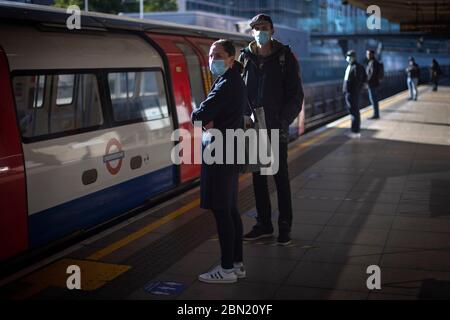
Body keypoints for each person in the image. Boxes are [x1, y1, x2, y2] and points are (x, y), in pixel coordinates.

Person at [238, 14, 304, 246]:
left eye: (264, 27)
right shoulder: (244, 57)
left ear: (272, 30)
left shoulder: (285, 56)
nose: (259, 31)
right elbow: (239, 91)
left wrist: (283, 120)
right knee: (258, 178)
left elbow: (296, 95)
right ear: (251, 31)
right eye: (255, 28)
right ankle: (264, 224)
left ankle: (284, 226)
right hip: (254, 127)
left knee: (280, 178)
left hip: (276, 126)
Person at [192, 39, 246, 284]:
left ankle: (225, 270)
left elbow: (199, 115)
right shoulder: (235, 79)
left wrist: (203, 117)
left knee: (222, 211)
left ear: (232, 58)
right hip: (230, 150)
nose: (213, 59)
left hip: (220, 153)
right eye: (212, 54)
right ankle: (236, 264)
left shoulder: (225, 84)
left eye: (219, 55)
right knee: (231, 209)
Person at [343, 50, 367, 138]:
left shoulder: (357, 67)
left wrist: (356, 90)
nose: (347, 58)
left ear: (353, 57)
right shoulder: (350, 66)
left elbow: (361, 80)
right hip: (349, 92)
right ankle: (354, 130)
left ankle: (355, 131)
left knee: (354, 112)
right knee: (352, 111)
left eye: (349, 56)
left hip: (353, 93)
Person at [366, 49, 382, 119]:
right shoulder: (373, 62)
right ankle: (376, 114)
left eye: (368, 54)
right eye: (367, 54)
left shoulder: (373, 62)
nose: (367, 55)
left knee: (373, 99)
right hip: (374, 83)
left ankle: (376, 114)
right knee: (374, 99)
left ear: (372, 54)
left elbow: (372, 74)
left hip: (372, 84)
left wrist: (367, 81)